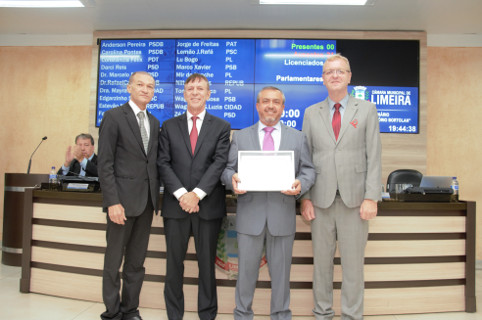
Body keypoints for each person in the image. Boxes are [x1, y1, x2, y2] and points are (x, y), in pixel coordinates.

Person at [221, 86, 316, 319]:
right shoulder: (241, 136)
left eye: (276, 101)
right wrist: (230, 180)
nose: (270, 106)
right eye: (265, 101)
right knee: (245, 275)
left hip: (282, 217)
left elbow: (309, 171)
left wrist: (300, 184)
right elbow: (228, 169)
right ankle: (242, 315)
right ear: (257, 106)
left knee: (282, 276)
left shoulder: (298, 137)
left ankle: (281, 315)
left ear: (283, 107)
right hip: (249, 216)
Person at [300, 54, 382, 320]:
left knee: (353, 267)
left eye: (340, 71)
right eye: (329, 72)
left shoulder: (367, 110)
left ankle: (351, 315)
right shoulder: (311, 113)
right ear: (323, 79)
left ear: (349, 76)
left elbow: (374, 156)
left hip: (355, 202)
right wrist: (305, 198)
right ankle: (322, 313)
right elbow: (306, 159)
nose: (335, 75)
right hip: (320, 202)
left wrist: (372, 197)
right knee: (321, 267)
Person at [158, 73, 231, 320]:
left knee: (207, 267)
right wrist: (182, 195)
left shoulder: (222, 127)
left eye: (200, 88)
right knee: (173, 266)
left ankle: (207, 315)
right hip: (175, 207)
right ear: (184, 94)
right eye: (190, 88)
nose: (195, 92)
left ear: (209, 94)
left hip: (208, 207)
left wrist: (196, 195)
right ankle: (174, 315)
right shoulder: (168, 126)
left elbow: (219, 163)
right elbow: (163, 163)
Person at [98, 71, 160, 320]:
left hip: (146, 204)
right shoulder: (114, 117)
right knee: (114, 262)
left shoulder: (154, 122)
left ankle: (130, 309)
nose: (145, 89)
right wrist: (112, 201)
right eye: (140, 85)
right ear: (129, 88)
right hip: (120, 204)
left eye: (150, 86)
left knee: (136, 262)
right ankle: (112, 312)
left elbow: (152, 163)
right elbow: (105, 164)